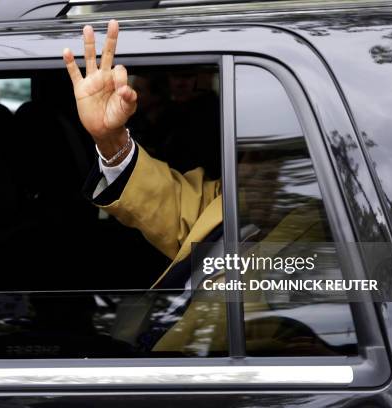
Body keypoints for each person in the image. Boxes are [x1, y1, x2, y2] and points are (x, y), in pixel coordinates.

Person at [62, 21, 334, 355]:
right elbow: (163, 199)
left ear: (306, 162)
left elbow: (308, 336)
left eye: (268, 157)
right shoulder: (230, 202)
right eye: (243, 155)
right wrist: (110, 139)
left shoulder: (330, 233)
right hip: (136, 347)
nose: (248, 170)